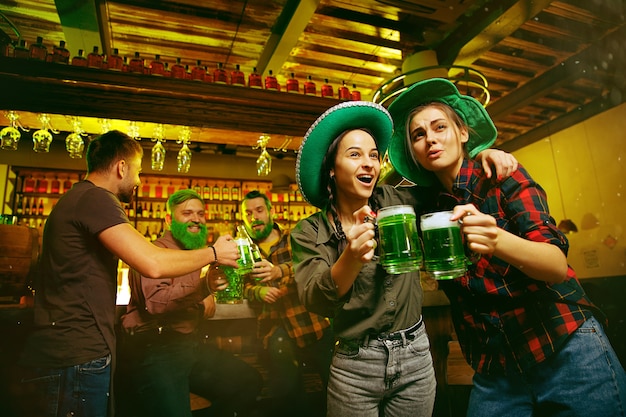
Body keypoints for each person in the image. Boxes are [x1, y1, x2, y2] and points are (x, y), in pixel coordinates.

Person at [387, 77, 626, 416]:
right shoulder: (425, 208)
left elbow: (556, 265)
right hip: (496, 367)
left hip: (564, 346)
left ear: (463, 133)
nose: (430, 139)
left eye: (440, 127)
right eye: (418, 135)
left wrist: (498, 240)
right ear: (414, 152)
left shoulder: (502, 176)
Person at [290, 100, 517, 417]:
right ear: (331, 167)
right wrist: (352, 258)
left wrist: (480, 157)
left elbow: (450, 184)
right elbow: (315, 299)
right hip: (354, 364)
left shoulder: (400, 201)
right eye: (355, 155)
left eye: (373, 155)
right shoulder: (309, 232)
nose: (369, 163)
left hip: (415, 355)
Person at [17, 130, 240, 417]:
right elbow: (152, 262)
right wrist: (214, 253)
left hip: (71, 353)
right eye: (138, 172)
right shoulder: (96, 198)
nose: (139, 181)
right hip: (74, 356)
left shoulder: (79, 198)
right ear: (122, 167)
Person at [120, 189, 263, 417]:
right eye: (187, 213)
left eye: (200, 213)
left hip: (190, 346)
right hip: (156, 348)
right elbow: (156, 303)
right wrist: (203, 288)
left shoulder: (196, 254)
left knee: (247, 382)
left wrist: (206, 290)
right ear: (168, 220)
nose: (196, 219)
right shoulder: (154, 252)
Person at [241, 190, 334, 417]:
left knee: (335, 387)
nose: (254, 217)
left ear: (271, 212)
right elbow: (242, 287)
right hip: (274, 329)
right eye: (248, 213)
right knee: (289, 393)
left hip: (311, 324)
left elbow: (314, 270)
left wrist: (278, 271)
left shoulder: (295, 237)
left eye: (259, 210)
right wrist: (258, 291)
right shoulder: (244, 251)